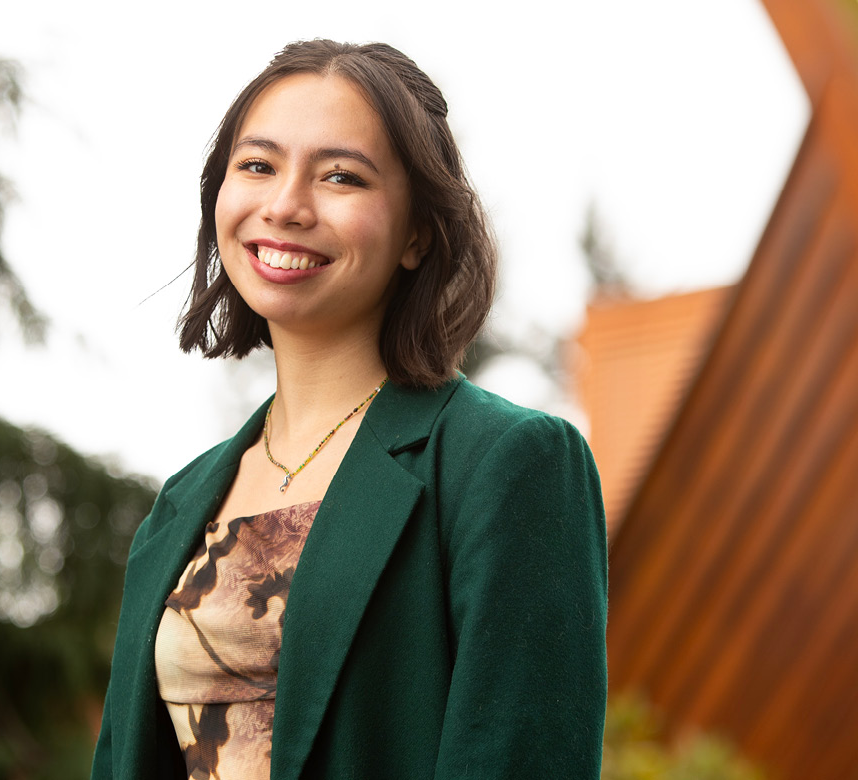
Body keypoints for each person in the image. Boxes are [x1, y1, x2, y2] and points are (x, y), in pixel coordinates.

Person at [91, 40, 607, 780]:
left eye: (341, 177)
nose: (285, 205)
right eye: (258, 165)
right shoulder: (181, 502)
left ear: (416, 234)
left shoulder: (507, 463)